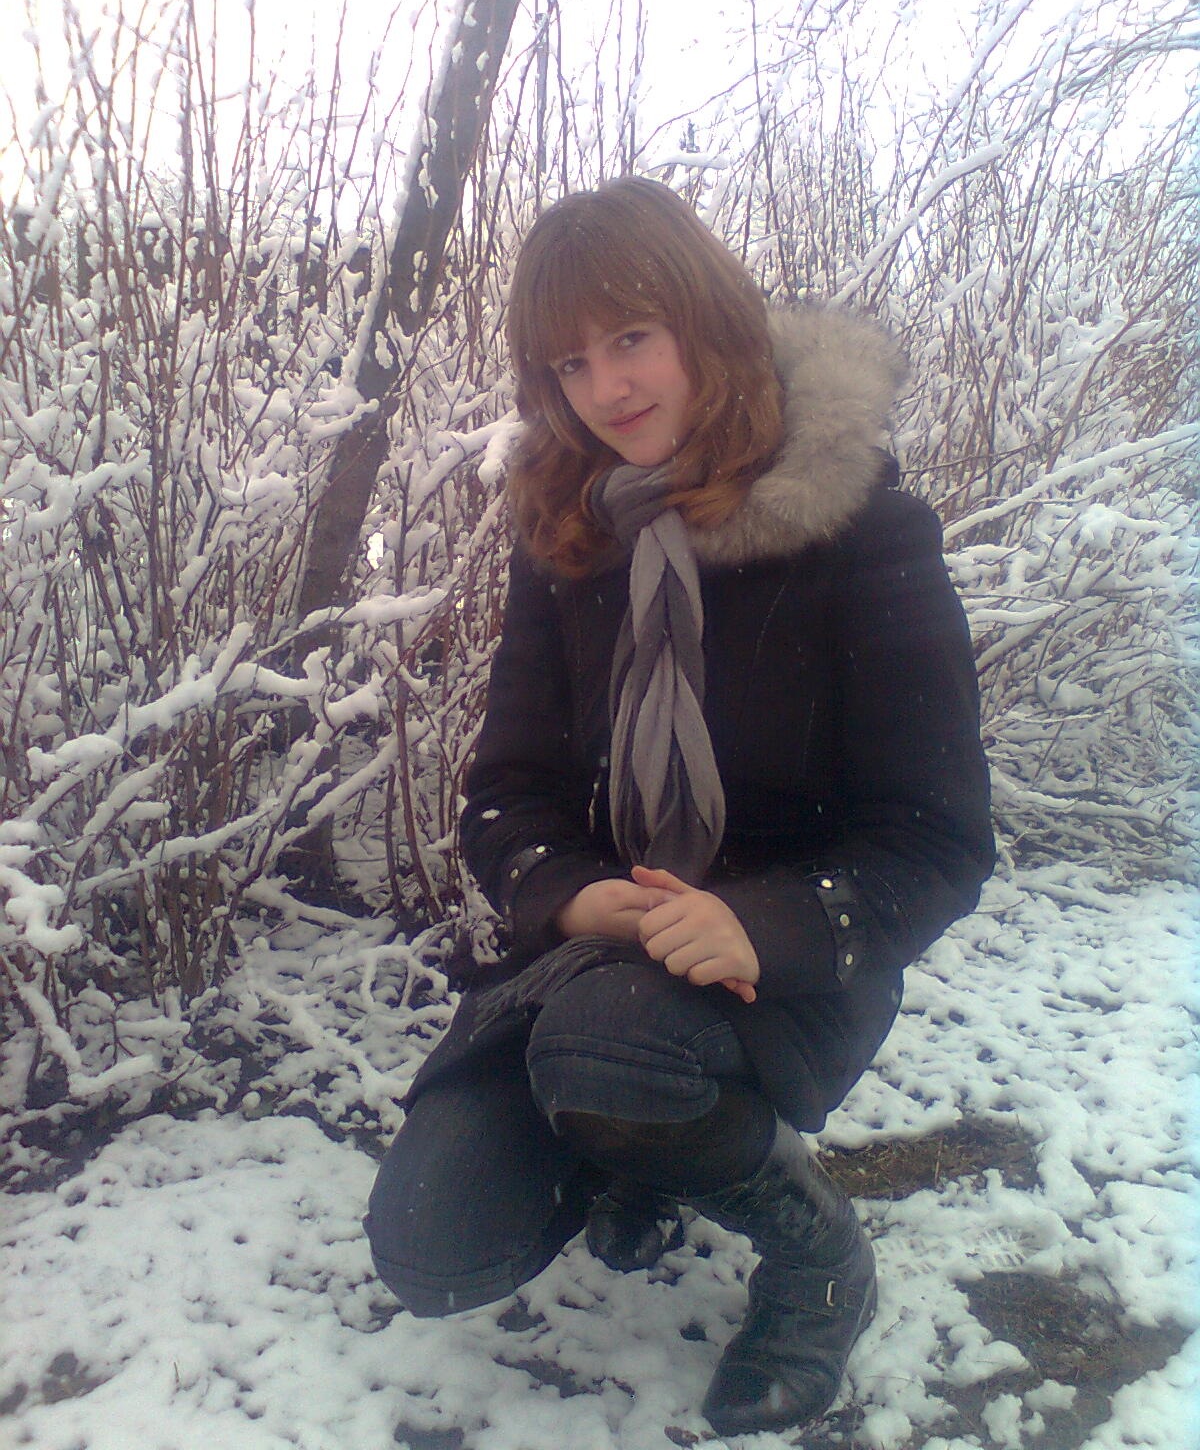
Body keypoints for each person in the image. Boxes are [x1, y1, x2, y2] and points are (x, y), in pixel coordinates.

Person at [365, 177, 994, 1436]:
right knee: (432, 1240)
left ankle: (817, 1254)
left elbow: (939, 836)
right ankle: (633, 1135)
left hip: (789, 968)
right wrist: (567, 892)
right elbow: (506, 791)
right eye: (570, 361)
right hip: (603, 959)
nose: (605, 386)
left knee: (615, 1051)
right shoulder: (570, 539)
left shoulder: (865, 532)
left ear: (703, 318)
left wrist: (760, 922)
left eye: (631, 337)